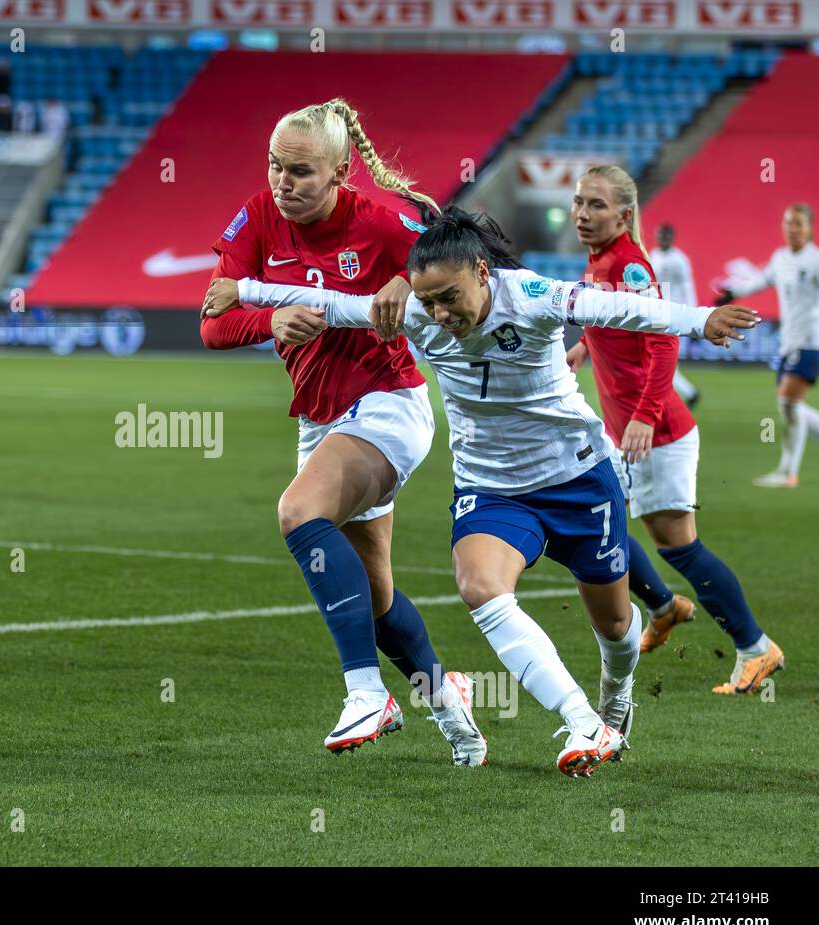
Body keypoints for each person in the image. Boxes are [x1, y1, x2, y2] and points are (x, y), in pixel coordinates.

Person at [214, 207, 759, 775]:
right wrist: (244, 290)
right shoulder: (421, 315)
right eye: (429, 303)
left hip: (575, 478)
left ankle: (615, 692)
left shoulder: (529, 293)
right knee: (480, 588)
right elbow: (332, 305)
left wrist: (701, 320)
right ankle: (581, 721)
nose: (441, 315)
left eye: (450, 297)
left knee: (617, 628)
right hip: (491, 487)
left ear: (481, 271)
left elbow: (617, 307)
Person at [200, 98, 487, 767]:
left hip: (389, 405)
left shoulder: (379, 222)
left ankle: (367, 693)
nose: (282, 182)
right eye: (274, 166)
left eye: (299, 171)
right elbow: (212, 322)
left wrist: (402, 283)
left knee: (298, 510)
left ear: (339, 171)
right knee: (377, 594)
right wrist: (266, 322)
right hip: (322, 419)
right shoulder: (259, 218)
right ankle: (450, 707)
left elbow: (468, 272)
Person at [567, 166, 784, 695]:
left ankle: (756, 648)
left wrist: (643, 413)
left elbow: (663, 341)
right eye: (578, 202)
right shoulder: (599, 261)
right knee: (599, 521)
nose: (582, 213)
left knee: (676, 544)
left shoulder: (631, 267)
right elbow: (614, 324)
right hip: (624, 430)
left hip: (657, 431)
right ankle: (664, 608)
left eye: (596, 205)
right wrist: (583, 347)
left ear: (624, 215)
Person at [717, 203, 819, 488]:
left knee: (789, 401)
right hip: (788, 341)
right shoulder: (780, 257)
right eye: (788, 223)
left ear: (809, 228)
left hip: (811, 341)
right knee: (789, 406)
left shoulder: (815, 261)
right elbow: (762, 280)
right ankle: (787, 470)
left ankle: (789, 472)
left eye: (798, 224)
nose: (792, 229)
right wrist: (733, 292)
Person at [648, 223, 700, 406]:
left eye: (665, 236)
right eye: (659, 236)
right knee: (660, 360)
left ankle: (678, 396)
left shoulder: (679, 259)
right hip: (656, 313)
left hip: (671, 314)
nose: (662, 239)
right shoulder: (652, 255)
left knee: (660, 359)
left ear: (672, 238)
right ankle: (688, 393)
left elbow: (688, 287)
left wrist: (693, 317)